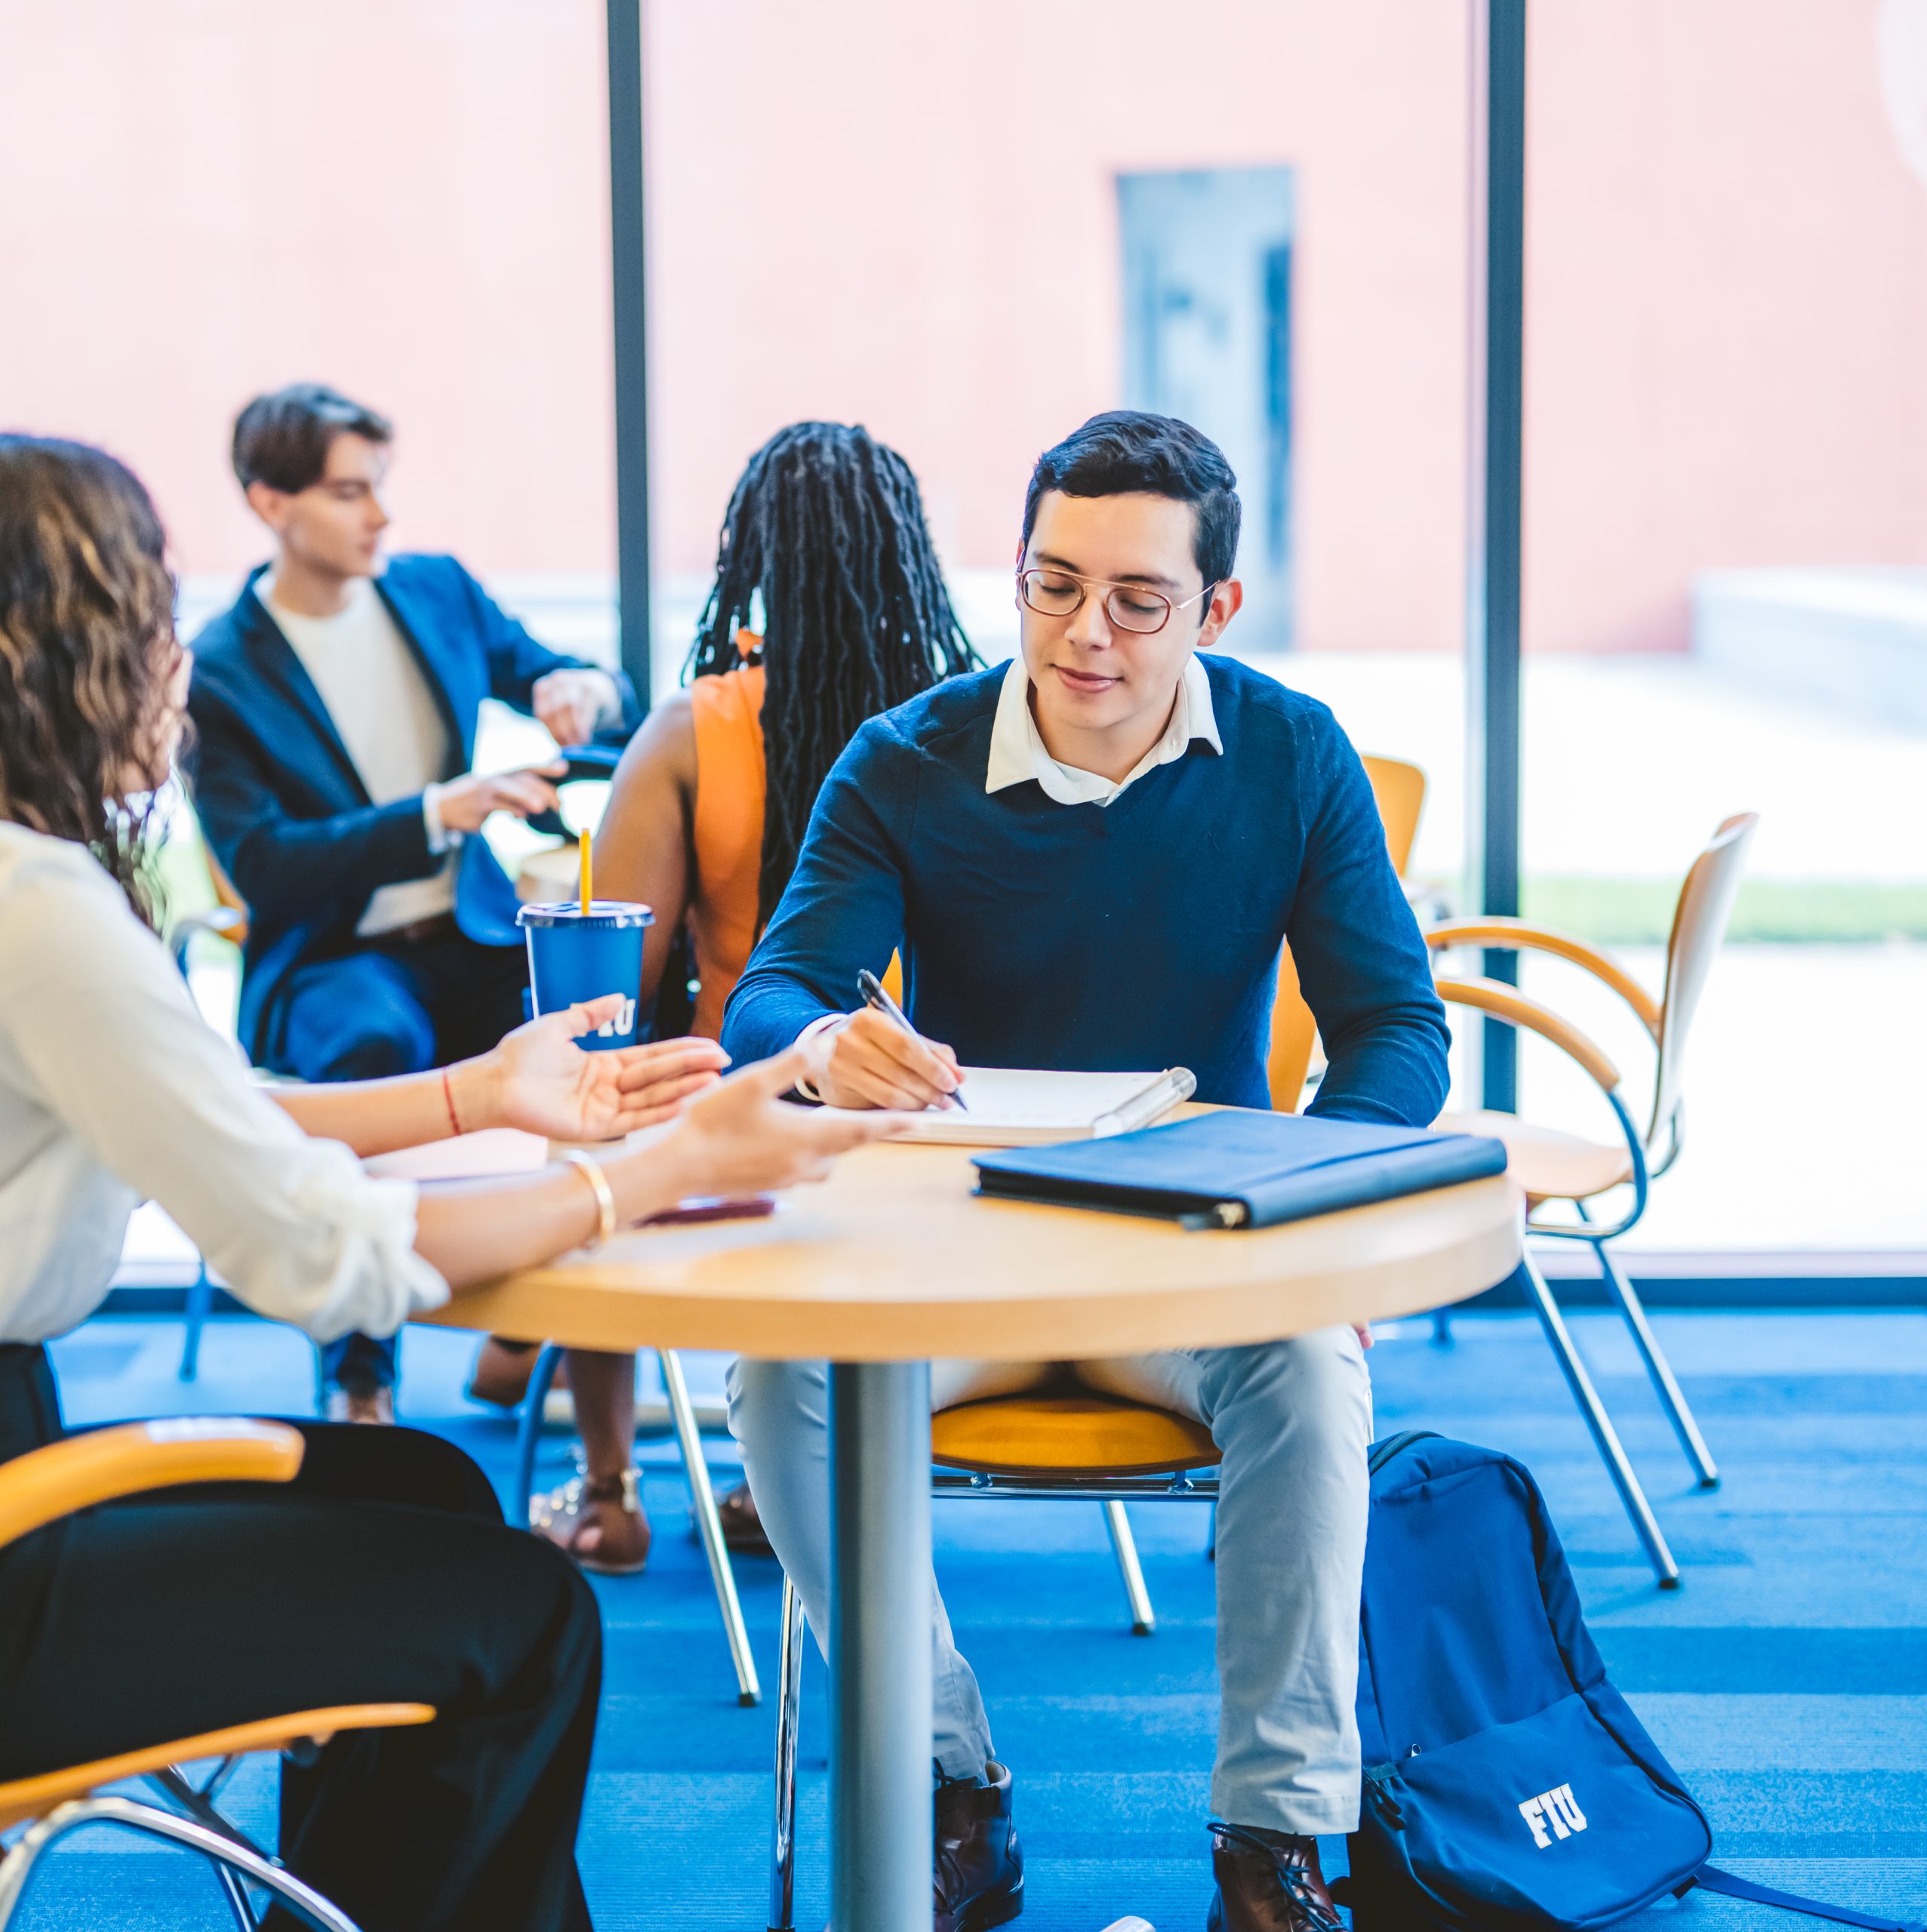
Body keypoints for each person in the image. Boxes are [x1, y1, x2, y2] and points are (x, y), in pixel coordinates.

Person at [0, 435, 906, 1932]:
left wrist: (482, 1088)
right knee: (515, 1612)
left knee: (431, 1486)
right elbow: (320, 1259)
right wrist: (666, 1167)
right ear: (58, 655)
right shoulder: (27, 907)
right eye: (149, 623)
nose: (177, 671)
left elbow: (211, 1109)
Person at [717, 411, 1451, 1932]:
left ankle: (1277, 1844)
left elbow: (1395, 1027)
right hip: (960, 1254)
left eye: (1136, 597)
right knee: (778, 1368)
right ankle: (946, 1787)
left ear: (1215, 608)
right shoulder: (906, 758)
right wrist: (822, 1043)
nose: (1084, 633)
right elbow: (775, 990)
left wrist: (1321, 1198)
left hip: (1196, 1258)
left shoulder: (1292, 752)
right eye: (1053, 585)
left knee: (1315, 1366)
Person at [465, 422, 977, 1574]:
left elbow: (614, 994)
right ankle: (778, 1470)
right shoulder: (966, 725)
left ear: (751, 559)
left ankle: (607, 1493)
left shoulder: (697, 731)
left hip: (737, 1115)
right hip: (937, 1115)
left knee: (594, 1125)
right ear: (909, 556)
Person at [186, 384, 633, 1423]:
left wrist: (584, 691)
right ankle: (362, 1368)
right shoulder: (219, 671)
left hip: (471, 935)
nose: (379, 516)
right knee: (374, 1045)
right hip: (336, 955)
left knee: (602, 1034)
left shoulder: (436, 592)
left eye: (379, 488)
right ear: (270, 502)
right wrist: (437, 813)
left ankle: (540, 1325)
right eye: (350, 493)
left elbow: (571, 675)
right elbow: (265, 867)